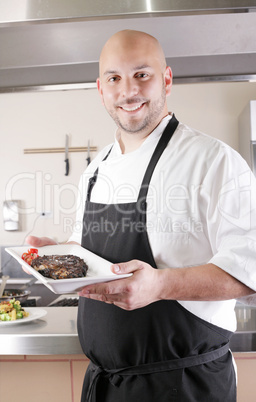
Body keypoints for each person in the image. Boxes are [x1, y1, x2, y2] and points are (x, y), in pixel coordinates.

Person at [27, 30, 256, 401]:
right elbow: (88, 251)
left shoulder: (212, 161)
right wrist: (59, 255)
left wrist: (160, 285)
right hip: (107, 385)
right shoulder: (96, 168)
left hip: (186, 386)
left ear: (166, 78)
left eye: (142, 74)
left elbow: (250, 270)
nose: (128, 90)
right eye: (114, 78)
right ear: (100, 89)